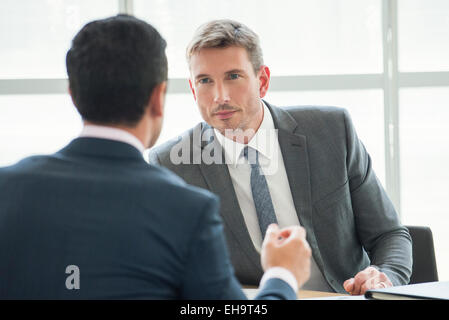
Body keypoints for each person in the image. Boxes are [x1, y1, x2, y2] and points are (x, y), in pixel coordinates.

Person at [0, 15, 312, 299]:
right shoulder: (187, 209)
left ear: (74, 96)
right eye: (204, 81)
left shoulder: (6, 188)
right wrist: (281, 274)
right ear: (158, 99)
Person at [149, 19, 413, 295]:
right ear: (193, 89)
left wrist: (384, 277)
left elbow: (389, 235)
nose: (219, 96)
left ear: (262, 82)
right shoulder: (170, 165)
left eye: (233, 76)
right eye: (205, 81)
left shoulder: (332, 131)